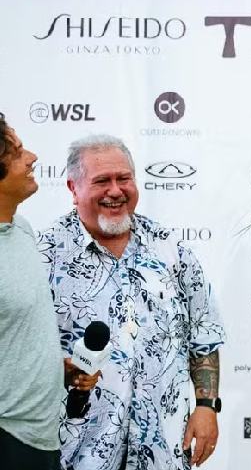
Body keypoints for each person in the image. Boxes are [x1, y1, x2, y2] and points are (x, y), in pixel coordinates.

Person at [38, 135, 226, 470]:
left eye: (124, 178)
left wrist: (206, 405)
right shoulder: (44, 256)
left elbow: (204, 333)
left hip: (165, 448)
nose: (116, 190)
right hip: (77, 451)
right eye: (102, 181)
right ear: (73, 188)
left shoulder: (170, 250)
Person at [0, 113, 68, 470]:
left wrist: (56, 369)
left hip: (41, 438)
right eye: (18, 152)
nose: (33, 158)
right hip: (8, 439)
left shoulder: (21, 228)